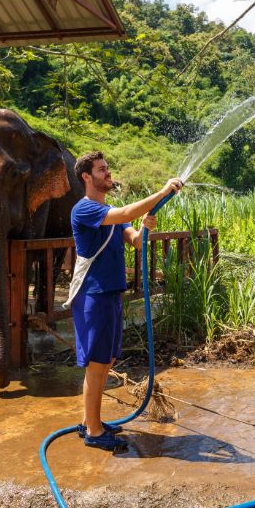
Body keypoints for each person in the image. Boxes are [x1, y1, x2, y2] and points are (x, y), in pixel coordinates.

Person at [70, 150, 182, 451]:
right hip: (93, 294)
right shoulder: (85, 210)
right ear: (86, 177)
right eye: (102, 169)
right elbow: (123, 216)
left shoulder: (109, 212)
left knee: (107, 361)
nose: (108, 173)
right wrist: (160, 193)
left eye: (108, 168)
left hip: (109, 293)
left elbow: (132, 236)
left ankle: (88, 421)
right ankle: (93, 431)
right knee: (97, 364)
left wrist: (145, 228)